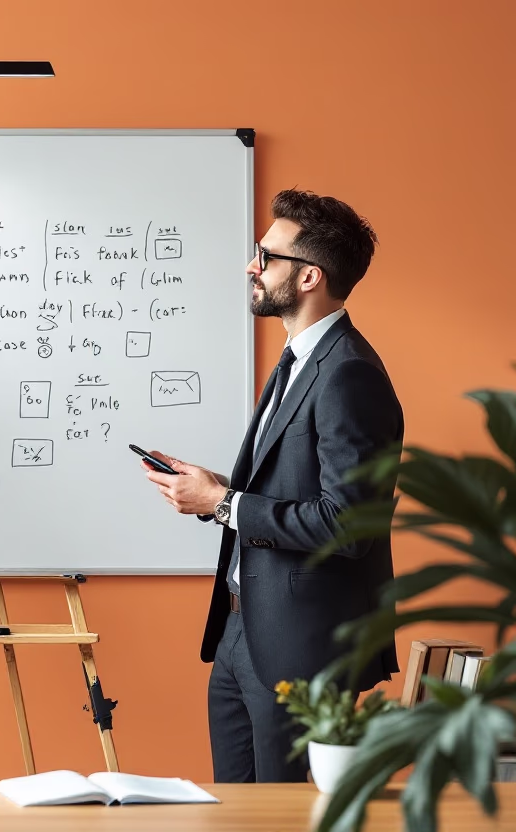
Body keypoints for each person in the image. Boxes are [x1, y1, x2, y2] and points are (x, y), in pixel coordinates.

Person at [141, 190, 402, 783]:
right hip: (243, 628)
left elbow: (347, 524)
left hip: (299, 645)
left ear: (309, 275)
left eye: (267, 255)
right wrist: (216, 492)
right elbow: (293, 489)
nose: (252, 266)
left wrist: (224, 504)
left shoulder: (348, 373)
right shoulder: (299, 360)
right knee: (234, 811)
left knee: (277, 817)